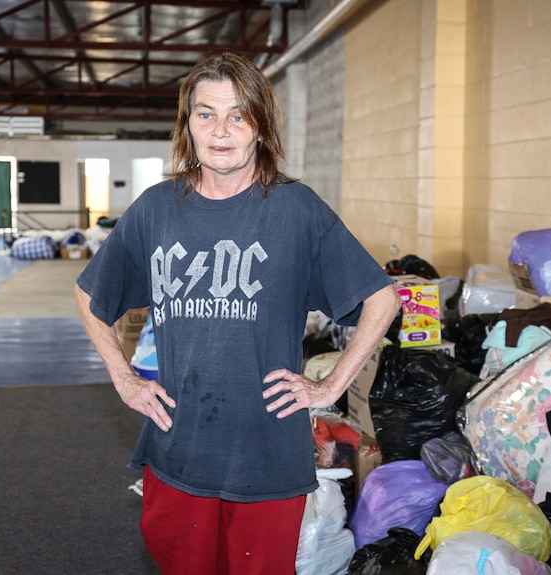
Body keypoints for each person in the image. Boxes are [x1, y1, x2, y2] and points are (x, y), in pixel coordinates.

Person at [74, 49, 401, 575]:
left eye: (237, 115)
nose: (221, 130)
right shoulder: (157, 208)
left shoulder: (295, 209)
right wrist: (125, 378)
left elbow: (381, 298)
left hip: (267, 455)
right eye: (206, 113)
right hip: (177, 448)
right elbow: (90, 296)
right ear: (188, 125)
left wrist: (330, 386)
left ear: (260, 126)